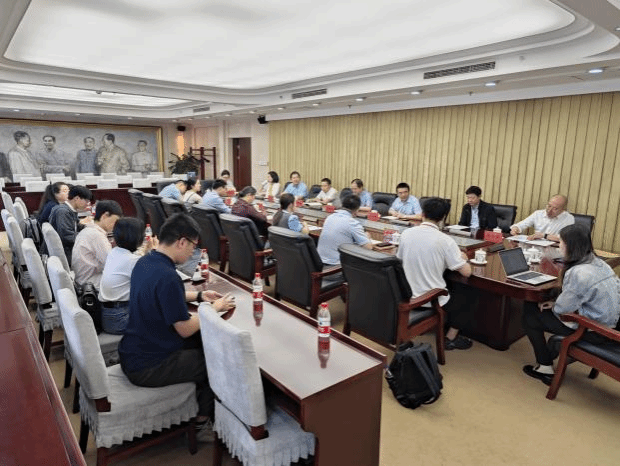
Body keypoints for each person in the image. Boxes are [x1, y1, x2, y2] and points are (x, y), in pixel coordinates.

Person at [118, 213, 236, 425]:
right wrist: (213, 309)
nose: (193, 252)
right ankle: (203, 418)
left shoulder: (145, 261)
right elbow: (184, 329)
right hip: (148, 366)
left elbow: (162, 294)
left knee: (203, 343)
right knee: (216, 360)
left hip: (132, 351)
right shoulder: (168, 275)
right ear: (182, 242)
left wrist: (199, 296)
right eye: (193, 246)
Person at [522, 224, 620, 385]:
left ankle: (545, 367)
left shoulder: (579, 272)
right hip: (611, 325)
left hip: (593, 330)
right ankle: (549, 354)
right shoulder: (600, 263)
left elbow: (563, 310)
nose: (559, 245)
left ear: (570, 246)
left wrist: (555, 304)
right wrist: (556, 302)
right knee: (544, 306)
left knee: (530, 313)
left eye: (561, 242)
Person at [396, 197, 473, 350]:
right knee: (469, 292)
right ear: (443, 218)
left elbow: (399, 260)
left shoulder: (406, 234)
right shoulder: (446, 241)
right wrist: (463, 258)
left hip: (405, 295)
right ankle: (450, 338)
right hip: (429, 300)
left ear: (422, 213)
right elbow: (467, 272)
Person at [99, 217, 156, 334]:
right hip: (120, 318)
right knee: (163, 318)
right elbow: (156, 277)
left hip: (108, 314)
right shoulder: (132, 261)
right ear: (138, 238)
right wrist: (153, 251)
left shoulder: (114, 252)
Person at [72, 200, 123, 289]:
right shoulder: (96, 235)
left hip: (83, 279)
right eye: (115, 221)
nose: (115, 226)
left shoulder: (89, 230)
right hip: (89, 283)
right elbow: (112, 264)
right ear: (105, 216)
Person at [317, 194, 372, 265]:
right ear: (357, 210)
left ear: (342, 205)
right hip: (336, 265)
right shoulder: (352, 223)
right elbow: (368, 247)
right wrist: (367, 237)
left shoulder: (329, 217)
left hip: (319, 261)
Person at [48, 185, 93, 265]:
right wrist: (90, 238)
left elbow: (76, 226)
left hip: (67, 250)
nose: (88, 204)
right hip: (65, 255)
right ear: (77, 198)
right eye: (86, 200)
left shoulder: (68, 209)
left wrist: (91, 228)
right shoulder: (63, 211)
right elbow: (67, 237)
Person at [510, 194, 574, 242]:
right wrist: (516, 228)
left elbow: (565, 239)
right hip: (535, 247)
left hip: (554, 250)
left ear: (563, 209)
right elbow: (521, 224)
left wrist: (544, 236)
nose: (549, 210)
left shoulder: (568, 218)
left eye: (555, 209)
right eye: (549, 206)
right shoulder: (538, 214)